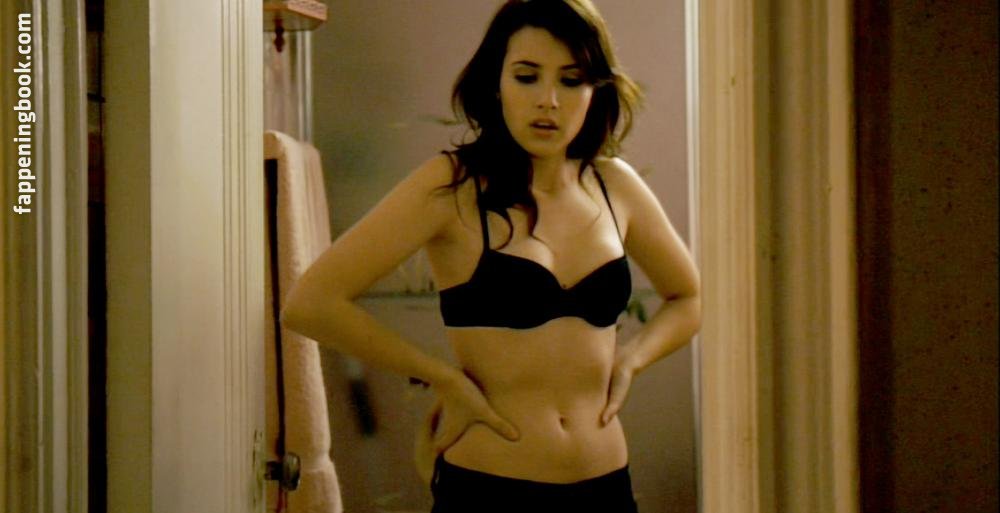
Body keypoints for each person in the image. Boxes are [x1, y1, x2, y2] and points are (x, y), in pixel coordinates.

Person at [281, 1, 701, 511]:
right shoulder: (452, 186)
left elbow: (688, 298)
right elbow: (310, 302)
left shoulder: (615, 186)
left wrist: (631, 359)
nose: (548, 100)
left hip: (605, 486)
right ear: (496, 83)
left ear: (596, 91)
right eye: (527, 76)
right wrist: (443, 378)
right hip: (489, 487)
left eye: (571, 80)